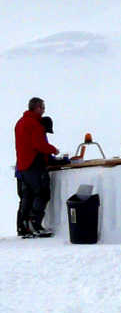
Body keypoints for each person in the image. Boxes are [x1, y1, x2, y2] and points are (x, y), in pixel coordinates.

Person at [14, 97, 58, 238]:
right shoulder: (35, 124)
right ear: (37, 107)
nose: (44, 110)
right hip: (34, 164)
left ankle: (23, 226)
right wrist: (53, 150)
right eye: (43, 107)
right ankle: (35, 224)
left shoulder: (20, 123)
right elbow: (39, 144)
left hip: (22, 165)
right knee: (42, 193)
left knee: (27, 196)